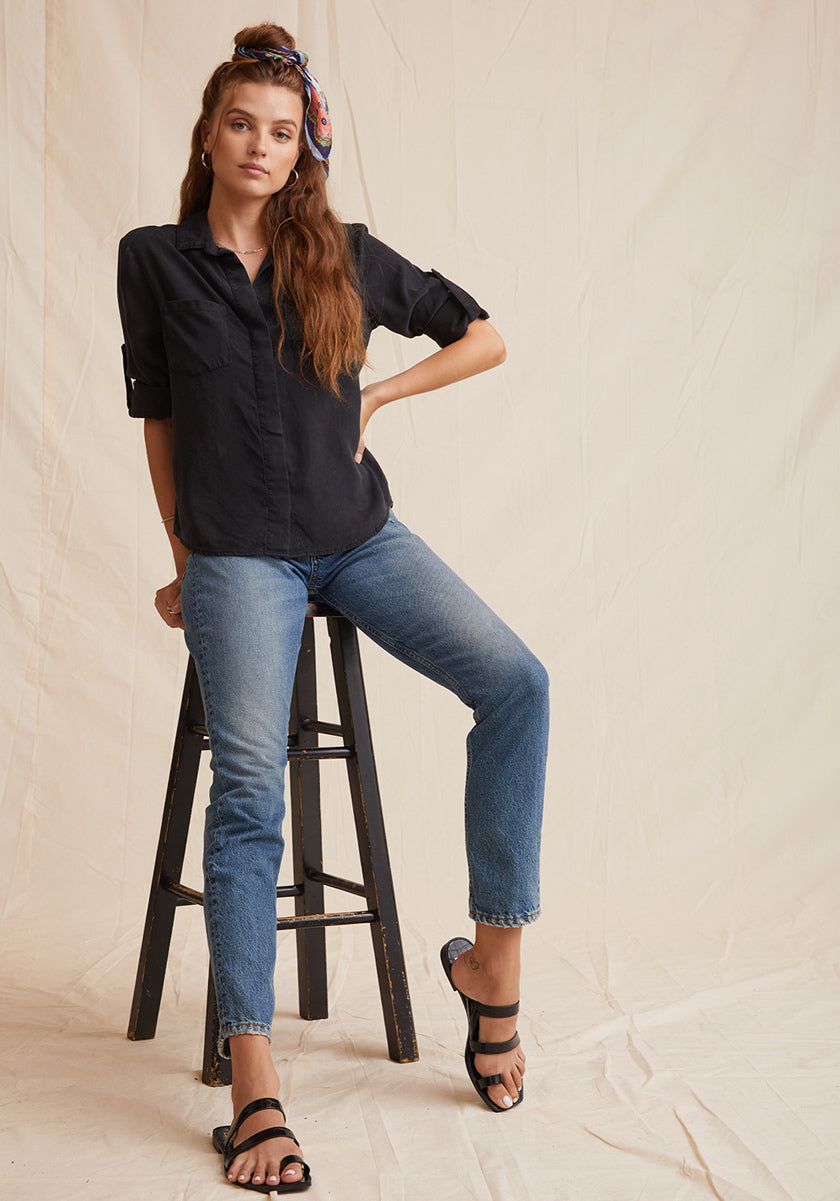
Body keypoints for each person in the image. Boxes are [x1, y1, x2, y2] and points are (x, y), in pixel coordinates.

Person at [117, 23, 549, 1195]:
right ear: (208, 134)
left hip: (359, 539)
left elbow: (485, 334)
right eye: (237, 125)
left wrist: (383, 396)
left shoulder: (343, 254)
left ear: (302, 144)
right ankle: (254, 1077)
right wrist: (184, 560)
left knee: (517, 682)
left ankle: (493, 968)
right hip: (238, 560)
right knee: (251, 788)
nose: (258, 146)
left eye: (278, 129)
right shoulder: (154, 260)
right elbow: (159, 424)